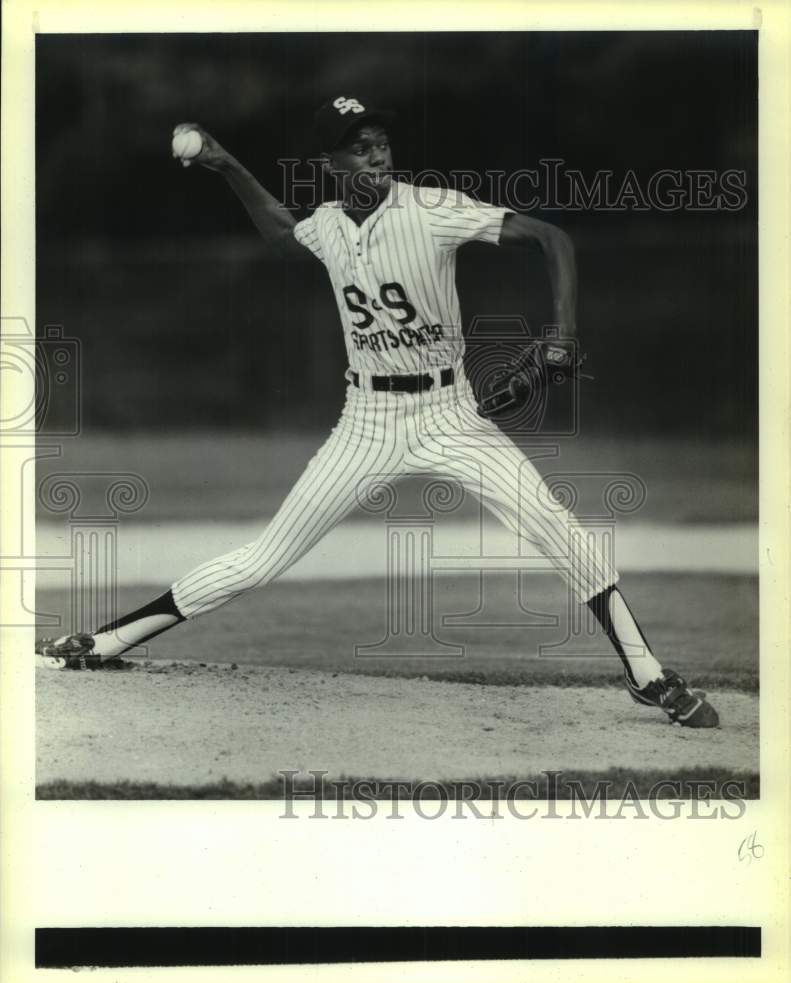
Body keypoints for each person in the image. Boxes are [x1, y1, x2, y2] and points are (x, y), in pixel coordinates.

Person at [36, 94, 719, 728]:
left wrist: (562, 334)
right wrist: (225, 166)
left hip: (452, 414)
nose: (376, 155)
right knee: (264, 558)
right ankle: (103, 641)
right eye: (358, 147)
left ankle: (646, 671)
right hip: (366, 422)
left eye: (380, 142)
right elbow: (282, 234)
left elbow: (552, 239)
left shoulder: (431, 209)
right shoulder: (329, 227)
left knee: (557, 529)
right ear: (328, 164)